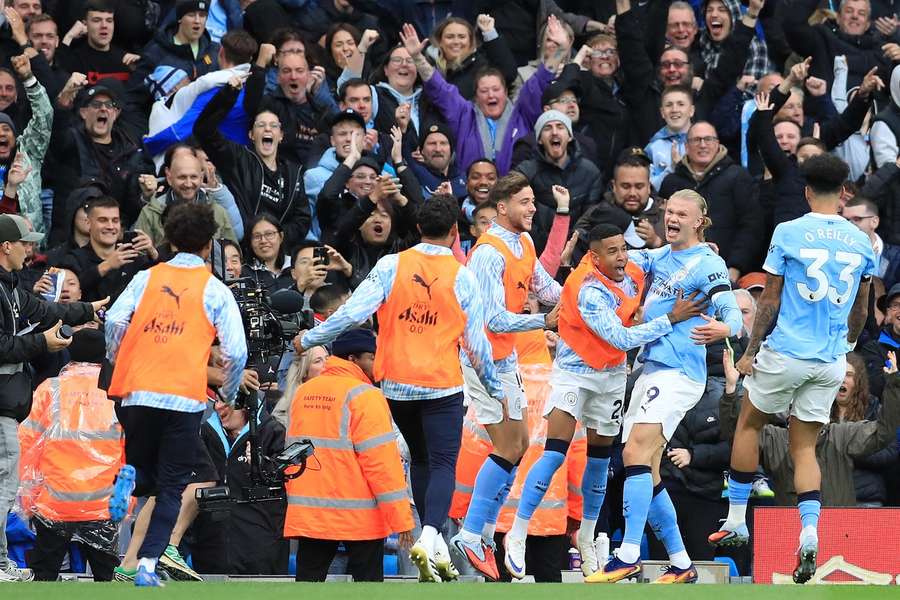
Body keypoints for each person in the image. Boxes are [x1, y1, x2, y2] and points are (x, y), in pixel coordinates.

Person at [297, 194, 505, 583]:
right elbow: (477, 344)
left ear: (418, 229)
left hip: (396, 386)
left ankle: (433, 540)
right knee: (442, 463)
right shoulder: (463, 276)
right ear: (455, 232)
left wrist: (311, 339)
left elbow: (354, 312)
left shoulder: (392, 264)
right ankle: (429, 536)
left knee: (422, 460)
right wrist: (495, 388)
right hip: (442, 385)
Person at [709, 154, 877, 584]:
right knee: (805, 446)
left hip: (786, 351)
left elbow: (770, 299)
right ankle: (808, 531)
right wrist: (848, 345)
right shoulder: (861, 242)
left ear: (806, 191)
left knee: (749, 424)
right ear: (844, 193)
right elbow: (862, 306)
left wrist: (750, 351)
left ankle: (737, 520)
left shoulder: (788, 231)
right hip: (829, 359)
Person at [503, 224, 705, 579]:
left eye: (623, 249)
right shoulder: (587, 289)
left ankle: (588, 535)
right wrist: (669, 318)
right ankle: (518, 533)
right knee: (553, 452)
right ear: (594, 257)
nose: (621, 257)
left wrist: (701, 252)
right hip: (574, 374)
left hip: (611, 378)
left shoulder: (632, 266)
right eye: (612, 252)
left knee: (599, 461)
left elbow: (668, 254)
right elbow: (621, 338)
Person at [587, 189, 742, 584]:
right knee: (647, 468)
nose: (671, 218)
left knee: (636, 451)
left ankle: (627, 554)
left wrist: (727, 327)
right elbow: (626, 260)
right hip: (651, 368)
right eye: (668, 212)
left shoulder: (708, 264)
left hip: (679, 373)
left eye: (680, 214)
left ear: (699, 221)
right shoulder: (661, 257)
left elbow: (730, 313)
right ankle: (681, 562)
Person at [104, 202, 247, 587]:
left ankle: (130, 478)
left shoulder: (146, 278)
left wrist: (121, 359)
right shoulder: (214, 289)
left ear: (167, 239)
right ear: (208, 245)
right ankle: (148, 565)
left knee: (147, 475)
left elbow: (115, 319)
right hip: (181, 397)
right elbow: (237, 350)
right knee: (171, 488)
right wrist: (229, 392)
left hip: (136, 393)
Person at [449, 171, 562, 581]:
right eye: (525, 202)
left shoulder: (525, 242)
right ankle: (471, 532)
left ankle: (475, 530)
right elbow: (491, 318)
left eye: (534, 201)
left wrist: (581, 299)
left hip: (505, 357)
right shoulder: (487, 254)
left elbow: (542, 284)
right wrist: (542, 322)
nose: (533, 209)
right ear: (502, 207)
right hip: (481, 358)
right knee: (509, 444)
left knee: (520, 442)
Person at [0, 213, 106, 583]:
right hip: (0, 405)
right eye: (25, 243)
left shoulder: (11, 287)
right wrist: (41, 343)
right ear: (6, 247)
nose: (31, 250)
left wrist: (87, 308)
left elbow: (48, 310)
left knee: (4, 484)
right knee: (3, 485)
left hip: (7, 404)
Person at [285, 328, 414, 582]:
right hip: (360, 518)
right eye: (371, 356)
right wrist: (402, 520)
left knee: (305, 590)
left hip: (311, 513)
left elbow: (294, 454)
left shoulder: (303, 393)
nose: (376, 363)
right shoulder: (366, 397)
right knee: (368, 591)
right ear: (353, 359)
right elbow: (382, 466)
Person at [17, 329, 123, 582]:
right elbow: (130, 445)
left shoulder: (50, 389)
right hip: (103, 503)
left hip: (54, 502)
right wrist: (124, 499)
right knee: (106, 577)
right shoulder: (117, 390)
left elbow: (27, 443)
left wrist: (29, 498)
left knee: (45, 575)